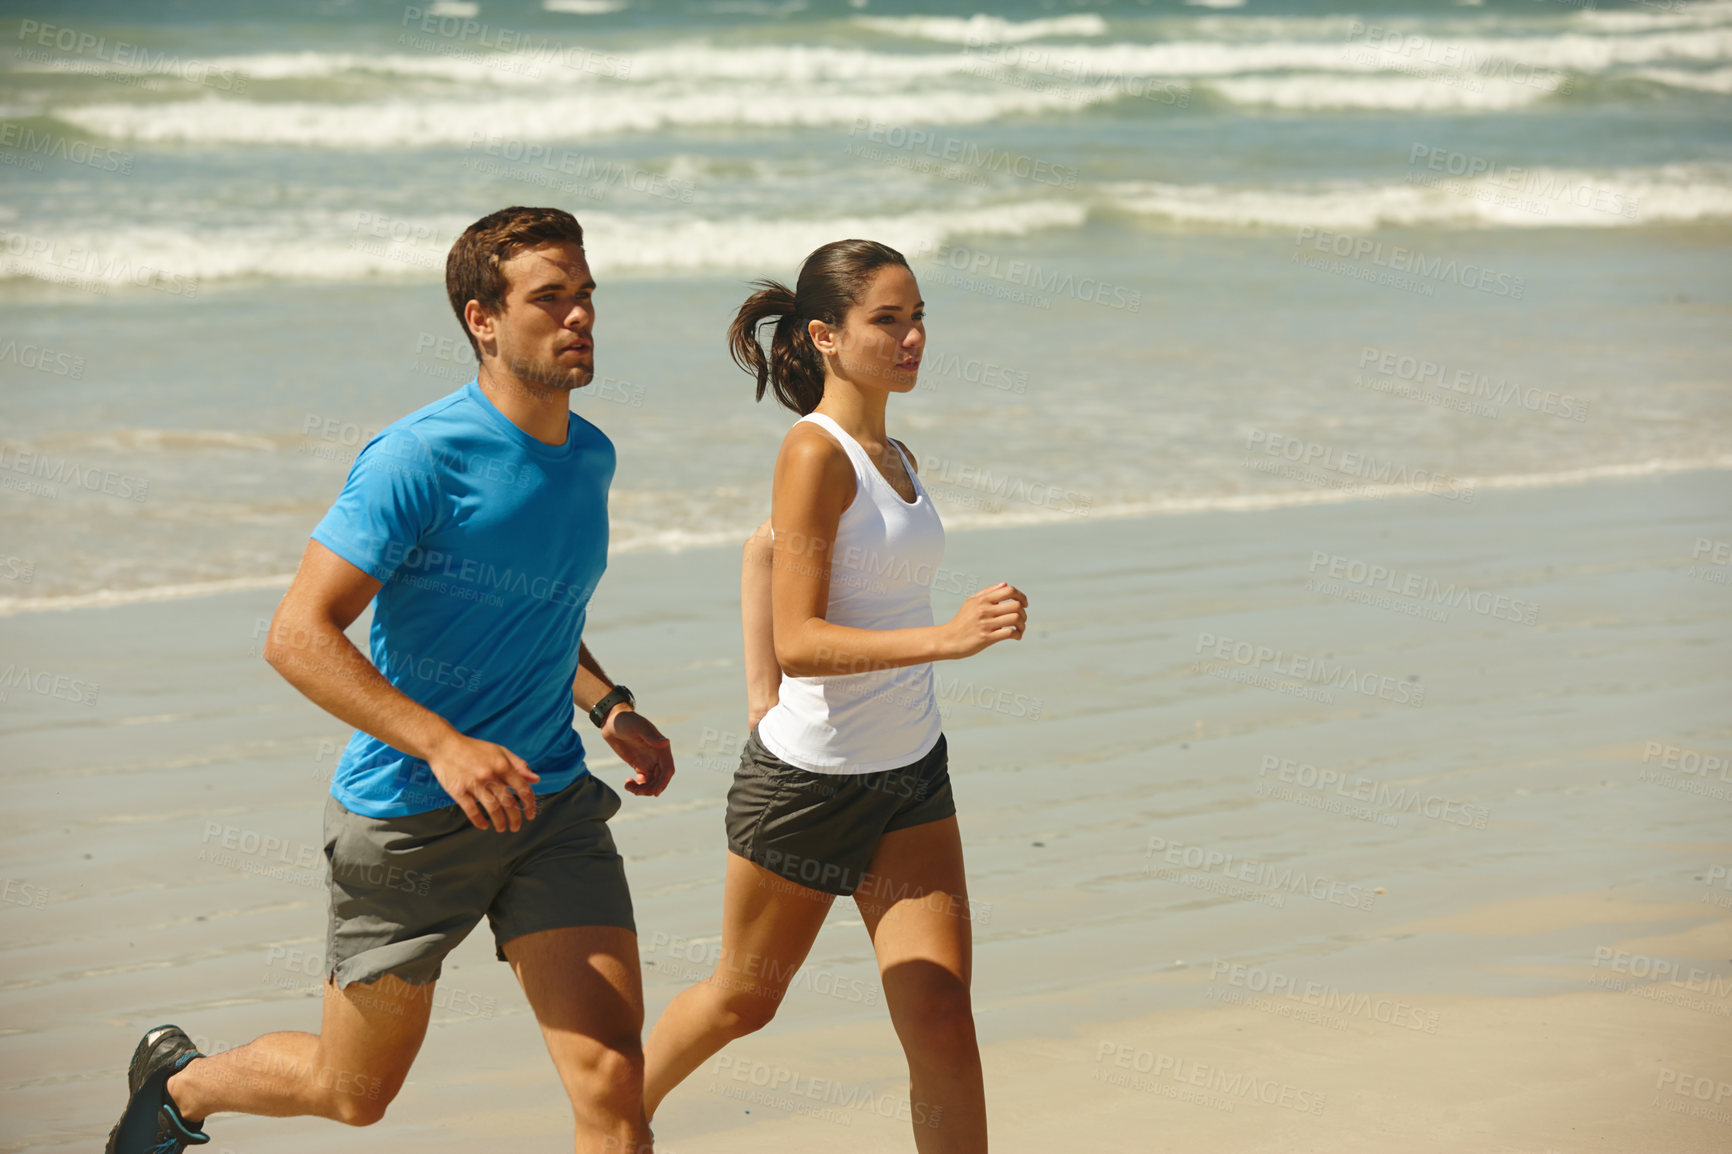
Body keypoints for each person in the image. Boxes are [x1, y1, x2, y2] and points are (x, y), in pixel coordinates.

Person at [105, 206, 675, 1154]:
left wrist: (608, 704)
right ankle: (183, 1087)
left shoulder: (591, 456)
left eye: (585, 297)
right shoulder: (416, 459)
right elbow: (296, 634)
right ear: (481, 318)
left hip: (549, 804)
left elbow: (541, 611)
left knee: (614, 1080)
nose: (577, 317)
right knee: (353, 1091)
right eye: (549, 299)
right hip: (409, 819)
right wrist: (443, 745)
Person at [640, 239, 1027, 1152]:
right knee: (743, 1000)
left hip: (909, 776)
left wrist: (753, 690)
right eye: (887, 320)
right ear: (826, 335)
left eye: (919, 316)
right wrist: (946, 638)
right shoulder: (813, 451)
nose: (912, 337)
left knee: (940, 1019)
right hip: (810, 786)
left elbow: (761, 551)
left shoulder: (890, 450)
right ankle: (609, 1118)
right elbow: (802, 639)